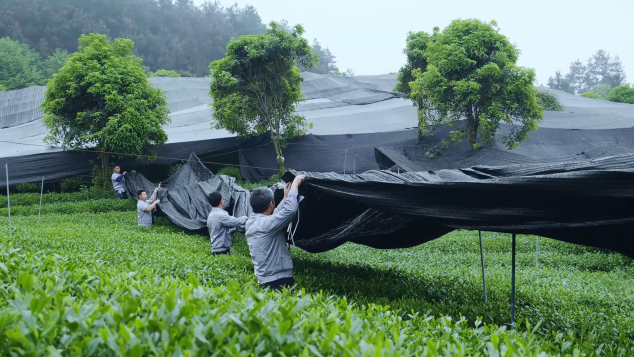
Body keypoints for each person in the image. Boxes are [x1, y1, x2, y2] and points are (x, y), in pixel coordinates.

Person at [245, 175, 306, 291]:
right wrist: (295, 185)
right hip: (278, 281)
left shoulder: (252, 222)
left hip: (266, 280)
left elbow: (274, 217)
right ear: (271, 204)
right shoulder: (267, 225)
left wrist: (285, 198)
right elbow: (290, 210)